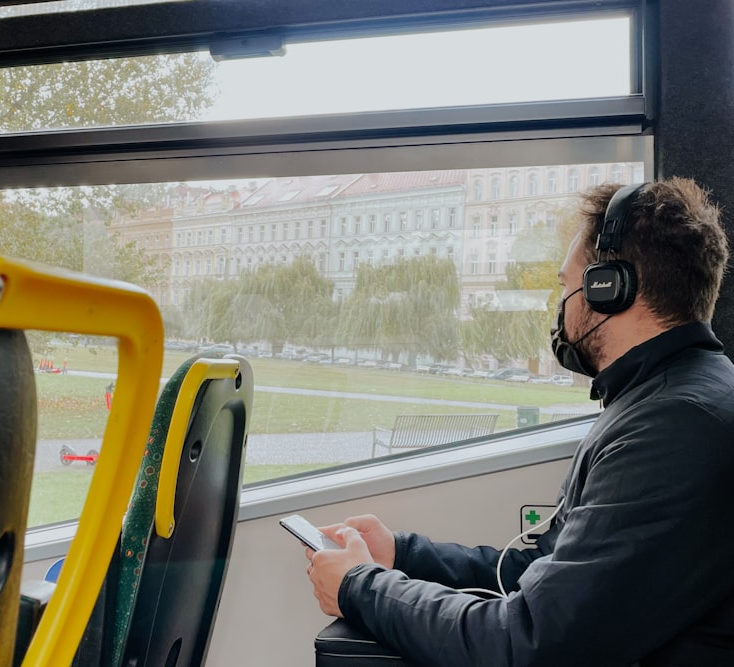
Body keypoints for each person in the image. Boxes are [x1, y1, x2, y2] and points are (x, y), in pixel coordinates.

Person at [305, 178, 734, 666]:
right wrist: (402, 555)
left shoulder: (673, 431)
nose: (562, 305)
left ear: (609, 287)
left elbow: (527, 643)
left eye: (565, 285)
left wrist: (359, 587)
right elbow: (541, 569)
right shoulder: (661, 401)